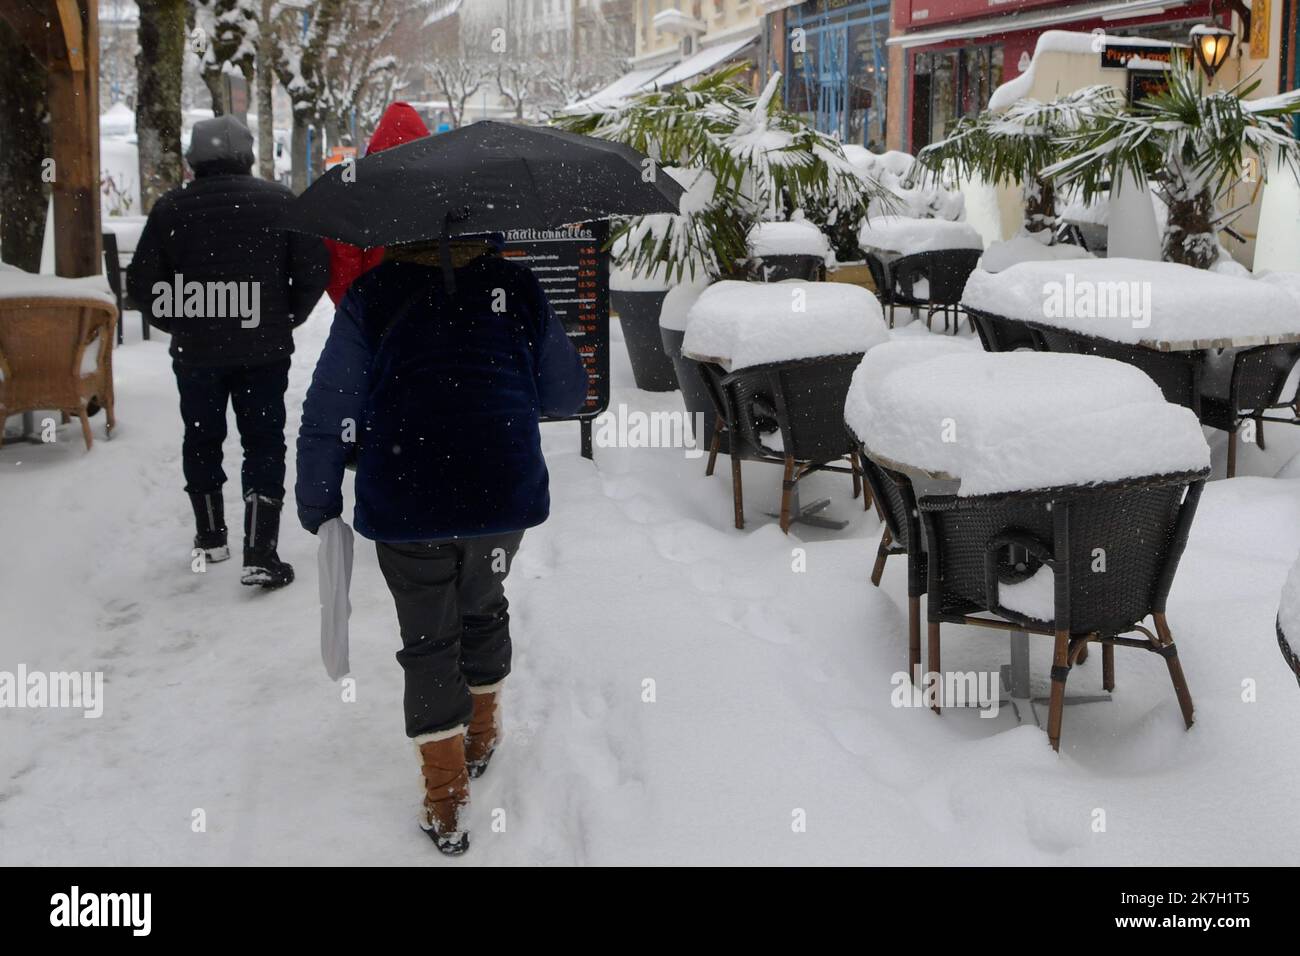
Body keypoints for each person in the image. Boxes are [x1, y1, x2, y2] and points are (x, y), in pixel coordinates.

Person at [296, 234, 586, 855]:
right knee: (484, 598)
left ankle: (446, 798)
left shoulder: (373, 294)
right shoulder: (517, 285)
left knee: (428, 638)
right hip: (501, 493)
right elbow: (566, 393)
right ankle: (480, 732)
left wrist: (319, 497)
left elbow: (333, 407)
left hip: (407, 500)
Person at [128, 115, 329, 589]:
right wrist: (285, 316)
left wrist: (180, 320)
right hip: (263, 348)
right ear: (247, 155)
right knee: (264, 440)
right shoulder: (279, 202)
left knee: (202, 437)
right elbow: (314, 269)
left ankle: (210, 536)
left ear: (194, 159)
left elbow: (141, 283)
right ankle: (261, 551)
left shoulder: (172, 208)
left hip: (198, 351)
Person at [322, 102, 430, 305]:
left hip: (373, 305)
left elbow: (343, 259)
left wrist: (353, 307)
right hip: (427, 307)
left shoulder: (357, 190)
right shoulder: (437, 187)